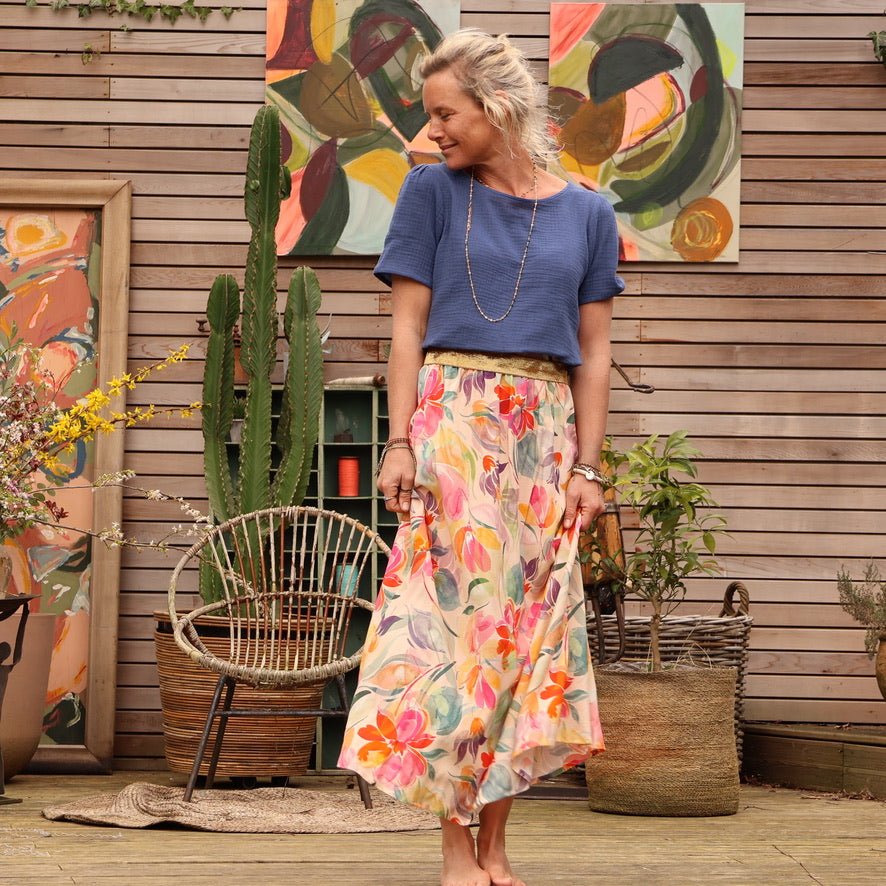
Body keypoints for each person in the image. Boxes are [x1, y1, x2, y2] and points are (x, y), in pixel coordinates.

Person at [338, 28, 624, 886]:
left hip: (544, 438)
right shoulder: (430, 192)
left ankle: (496, 840)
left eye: (444, 114)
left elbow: (595, 353)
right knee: (453, 636)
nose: (430, 131)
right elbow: (407, 329)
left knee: (526, 640)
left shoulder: (589, 213)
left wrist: (589, 467)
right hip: (453, 427)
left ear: (497, 107)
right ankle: (455, 846)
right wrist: (398, 441)